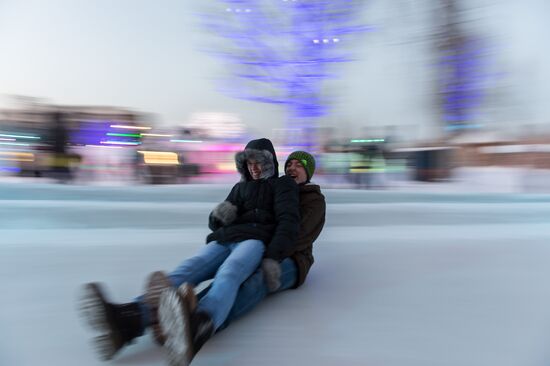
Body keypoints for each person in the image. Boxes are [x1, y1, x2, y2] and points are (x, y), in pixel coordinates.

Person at [78, 138, 300, 361]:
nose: (253, 166)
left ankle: (199, 326)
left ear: (270, 162)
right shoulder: (240, 187)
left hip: (255, 241)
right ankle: (129, 318)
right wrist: (220, 214)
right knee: (187, 270)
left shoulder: (282, 185)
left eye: (258, 161)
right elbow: (215, 223)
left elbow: (288, 222)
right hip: (227, 238)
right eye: (249, 161)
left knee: (230, 273)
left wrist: (272, 257)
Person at [158, 150, 326, 366]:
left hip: (294, 260)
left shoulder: (313, 199)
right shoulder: (276, 190)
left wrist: (268, 252)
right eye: (290, 164)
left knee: (254, 280)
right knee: (228, 276)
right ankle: (186, 315)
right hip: (269, 247)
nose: (293, 168)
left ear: (308, 173)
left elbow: (297, 235)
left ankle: (202, 325)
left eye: (299, 165)